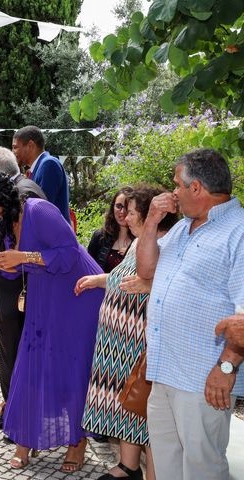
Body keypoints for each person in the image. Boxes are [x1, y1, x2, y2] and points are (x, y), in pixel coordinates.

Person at [0, 171, 104, 473]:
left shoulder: (38, 210)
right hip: (44, 295)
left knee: (72, 366)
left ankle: (77, 441)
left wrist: (25, 257)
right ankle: (25, 439)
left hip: (75, 293)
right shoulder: (5, 222)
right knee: (30, 363)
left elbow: (69, 253)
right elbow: (13, 268)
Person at [136, 149, 244, 480]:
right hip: (164, 370)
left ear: (195, 188)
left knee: (202, 469)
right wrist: (152, 222)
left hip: (204, 379)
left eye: (177, 186)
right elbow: (146, 269)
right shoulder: (184, 228)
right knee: (167, 467)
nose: (172, 193)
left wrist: (226, 368)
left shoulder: (238, 232)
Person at [76, 185, 178, 480]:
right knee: (125, 407)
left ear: (150, 215)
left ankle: (147, 473)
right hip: (117, 341)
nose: (126, 217)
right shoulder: (138, 242)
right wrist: (98, 280)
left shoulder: (165, 242)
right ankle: (127, 465)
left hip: (136, 342)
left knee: (140, 408)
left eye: (132, 211)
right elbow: (125, 281)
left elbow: (167, 285)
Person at [0, 147, 45, 431]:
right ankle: (12, 409)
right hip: (8, 286)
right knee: (11, 354)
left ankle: (17, 417)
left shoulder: (25, 196)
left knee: (16, 356)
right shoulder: (17, 192)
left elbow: (29, 250)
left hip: (18, 290)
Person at [12, 126, 70, 222]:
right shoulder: (39, 167)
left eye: (15, 147)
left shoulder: (49, 164)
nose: (13, 152)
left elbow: (41, 208)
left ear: (30, 145)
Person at [88, 188, 135, 272]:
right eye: (119, 206)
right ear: (112, 207)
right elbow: (88, 269)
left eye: (127, 207)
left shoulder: (140, 240)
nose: (122, 211)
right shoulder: (99, 237)